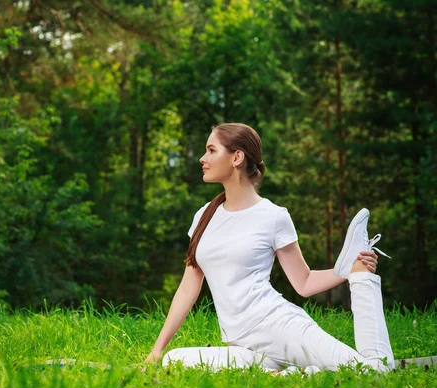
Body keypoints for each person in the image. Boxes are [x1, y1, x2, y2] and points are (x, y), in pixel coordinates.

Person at [144, 122, 394, 373]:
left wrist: (349, 270)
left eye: (211, 150)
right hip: (242, 345)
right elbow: (188, 288)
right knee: (173, 359)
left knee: (374, 371)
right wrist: (156, 351)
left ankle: (362, 278)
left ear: (237, 157)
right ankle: (293, 375)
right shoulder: (204, 216)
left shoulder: (273, 216)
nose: (202, 158)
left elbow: (304, 283)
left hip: (278, 326)